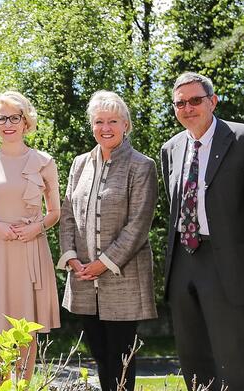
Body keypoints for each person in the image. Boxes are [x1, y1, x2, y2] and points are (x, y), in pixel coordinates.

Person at [160, 73, 244, 391]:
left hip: (227, 261)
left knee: (234, 361)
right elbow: (173, 202)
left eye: (195, 100)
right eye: (180, 103)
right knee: (193, 359)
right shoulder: (171, 148)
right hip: (183, 260)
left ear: (213, 101)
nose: (187, 108)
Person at [57, 91, 157, 391]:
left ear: (125, 124)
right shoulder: (79, 164)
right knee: (100, 356)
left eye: (112, 121)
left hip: (123, 279)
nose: (105, 127)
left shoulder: (142, 165)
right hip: (84, 278)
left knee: (121, 357)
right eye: (99, 121)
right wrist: (72, 257)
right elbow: (67, 215)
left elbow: (138, 225)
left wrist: (102, 264)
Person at [0, 91, 61, 381]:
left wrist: (36, 228)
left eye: (14, 117)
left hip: (31, 250)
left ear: (25, 121)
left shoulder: (45, 162)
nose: (8, 124)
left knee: (27, 327)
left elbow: (55, 212)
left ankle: (23, 386)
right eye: (1, 118)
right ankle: (0, 385)